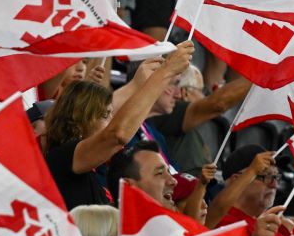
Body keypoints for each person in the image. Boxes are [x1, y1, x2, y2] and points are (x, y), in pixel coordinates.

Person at [40, 43, 193, 209]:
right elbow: (117, 134)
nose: (111, 121)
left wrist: (138, 84)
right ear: (79, 120)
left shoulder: (92, 171)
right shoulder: (61, 157)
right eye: (105, 116)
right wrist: (166, 71)